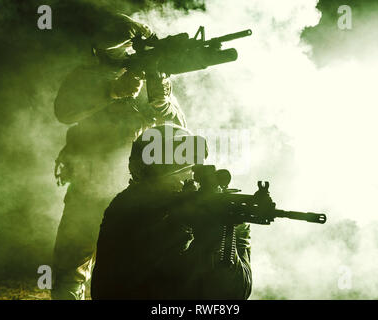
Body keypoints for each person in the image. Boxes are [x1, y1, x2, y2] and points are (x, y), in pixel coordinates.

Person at [52, 14, 186, 300]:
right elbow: (64, 111)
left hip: (134, 186)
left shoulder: (151, 72)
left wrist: (161, 102)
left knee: (128, 270)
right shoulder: (84, 75)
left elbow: (178, 127)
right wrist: (110, 91)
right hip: (90, 179)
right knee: (70, 271)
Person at [91, 124, 252, 299]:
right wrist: (194, 230)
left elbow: (234, 294)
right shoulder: (128, 209)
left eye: (191, 171)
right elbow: (158, 286)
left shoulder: (222, 211)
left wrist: (221, 234)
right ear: (143, 179)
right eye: (176, 172)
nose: (188, 180)